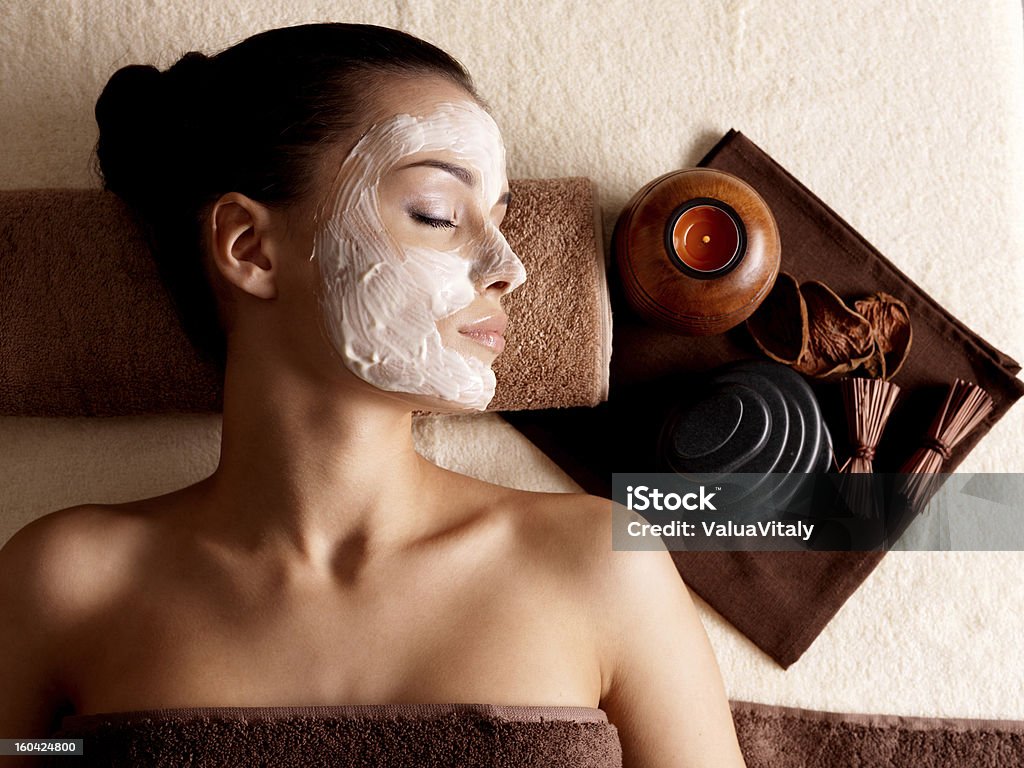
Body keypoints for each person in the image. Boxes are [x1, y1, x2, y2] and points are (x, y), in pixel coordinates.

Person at [0, 23, 746, 767]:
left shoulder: (598, 564)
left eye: (502, 222)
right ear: (250, 248)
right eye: (439, 214)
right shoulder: (69, 580)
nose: (509, 267)